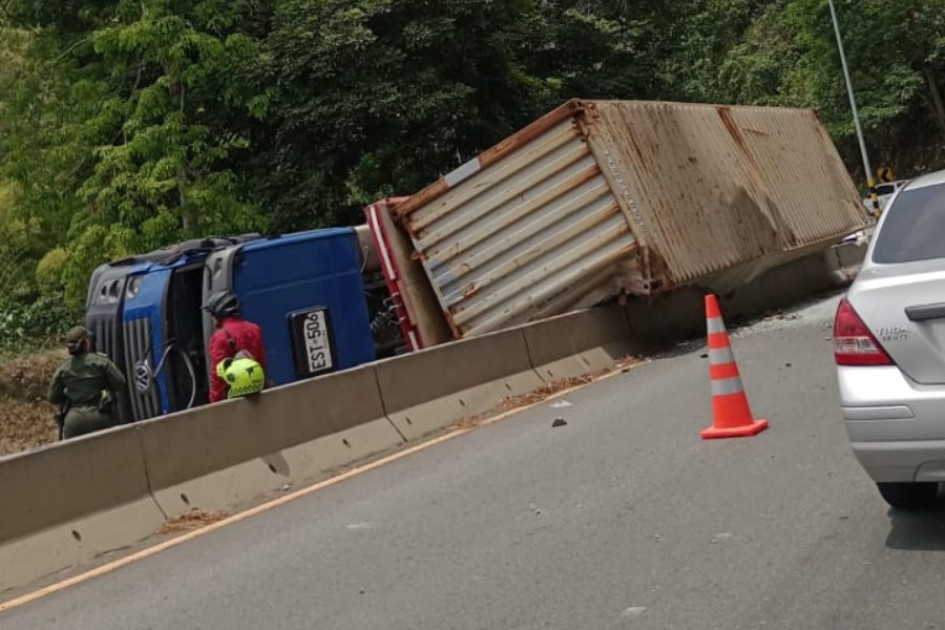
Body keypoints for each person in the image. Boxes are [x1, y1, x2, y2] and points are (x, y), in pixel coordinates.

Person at [48, 326, 127, 439]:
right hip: (99, 416)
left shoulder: (63, 368)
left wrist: (69, 393)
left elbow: (52, 397)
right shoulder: (101, 362)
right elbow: (120, 382)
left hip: (74, 421)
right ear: (85, 343)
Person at [203, 290, 268, 402]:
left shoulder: (220, 337)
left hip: (235, 396)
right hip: (257, 391)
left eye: (212, 314)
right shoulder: (254, 329)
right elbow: (262, 362)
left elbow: (218, 375)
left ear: (219, 313)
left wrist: (215, 401)